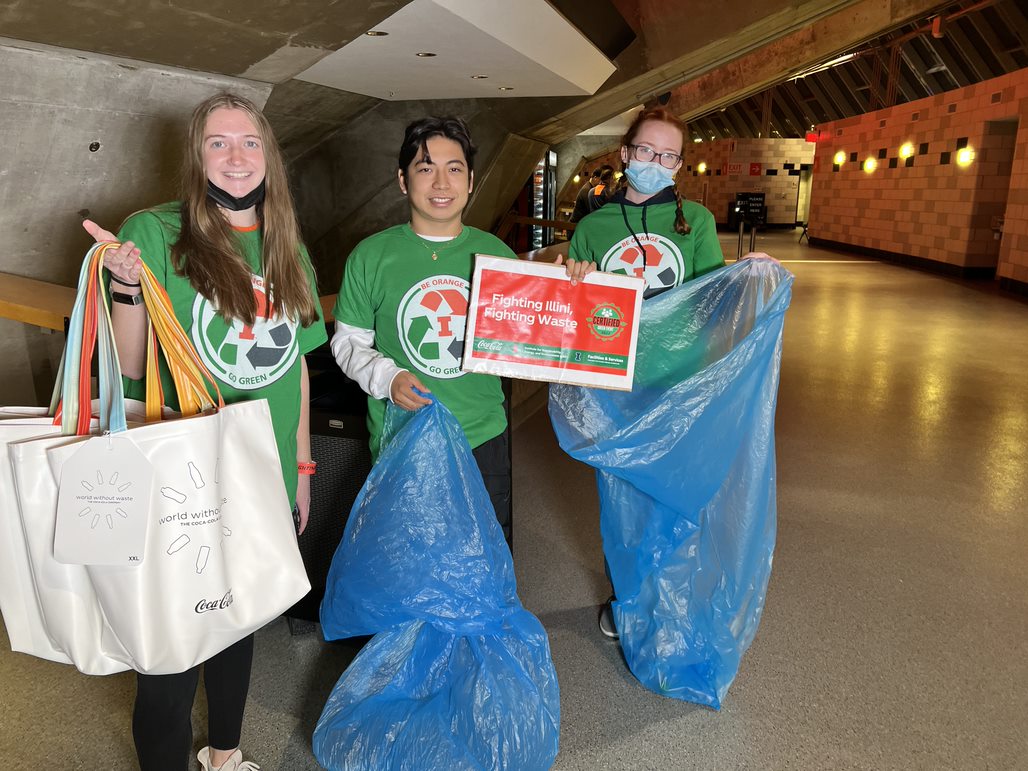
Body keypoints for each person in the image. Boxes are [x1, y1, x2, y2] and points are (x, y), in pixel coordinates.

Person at [83, 92, 326, 771]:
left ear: (269, 155)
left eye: (249, 141)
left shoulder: (284, 243)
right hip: (182, 473)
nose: (236, 156)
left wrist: (301, 467)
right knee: (170, 645)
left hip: (262, 470)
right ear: (196, 155)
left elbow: (295, 370)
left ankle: (224, 754)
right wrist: (126, 287)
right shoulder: (155, 231)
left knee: (236, 618)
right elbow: (131, 366)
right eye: (218, 142)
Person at [330, 116, 533, 548]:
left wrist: (567, 289)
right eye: (426, 168)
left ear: (471, 180)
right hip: (402, 438)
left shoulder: (497, 255)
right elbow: (348, 342)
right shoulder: (371, 255)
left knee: (481, 556)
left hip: (481, 436)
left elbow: (528, 337)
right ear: (403, 180)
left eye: (454, 168)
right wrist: (388, 378)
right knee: (405, 557)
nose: (441, 182)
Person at [563, 106, 726, 638]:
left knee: (673, 496)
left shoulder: (695, 221)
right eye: (646, 150)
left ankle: (672, 598)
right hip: (615, 384)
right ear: (626, 153)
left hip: (679, 382)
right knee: (622, 500)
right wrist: (574, 279)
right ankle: (626, 596)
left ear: (679, 164)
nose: (654, 162)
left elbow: (714, 297)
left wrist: (754, 278)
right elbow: (579, 314)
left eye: (668, 155)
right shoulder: (594, 226)